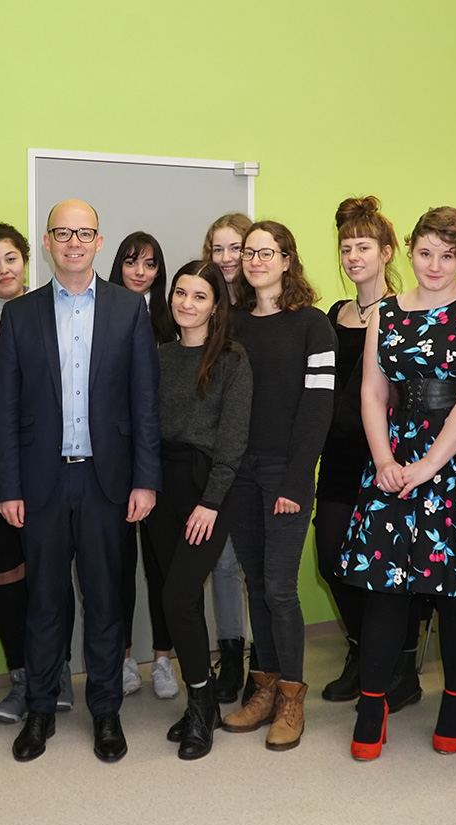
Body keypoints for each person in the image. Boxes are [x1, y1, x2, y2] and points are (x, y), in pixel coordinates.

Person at [340, 206, 456, 761]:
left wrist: (428, 466)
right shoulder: (384, 311)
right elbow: (372, 392)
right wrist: (386, 459)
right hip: (396, 453)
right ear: (408, 250)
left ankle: (455, 700)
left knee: (455, 589)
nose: (435, 265)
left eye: (448, 255)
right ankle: (373, 704)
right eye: (425, 252)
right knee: (386, 586)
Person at [0, 198, 160, 763]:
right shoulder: (21, 314)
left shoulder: (128, 309)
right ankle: (40, 709)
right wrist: (7, 486)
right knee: (43, 603)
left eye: (83, 233)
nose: (73, 242)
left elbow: (144, 405)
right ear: (47, 241)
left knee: (107, 602)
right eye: (62, 232)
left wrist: (146, 480)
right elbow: (7, 409)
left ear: (98, 241)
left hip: (106, 484)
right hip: (39, 484)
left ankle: (106, 712)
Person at [220, 221, 335, 751]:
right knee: (256, 585)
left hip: (285, 473)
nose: (256, 259)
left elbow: (317, 411)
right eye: (249, 251)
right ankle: (263, 688)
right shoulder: (233, 323)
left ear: (288, 260)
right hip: (239, 472)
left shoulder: (313, 326)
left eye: (268, 251)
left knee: (281, 588)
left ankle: (291, 697)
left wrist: (295, 478)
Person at [0, 222, 75, 723]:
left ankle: (58, 673)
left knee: (52, 572)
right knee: (7, 575)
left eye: (10, 258)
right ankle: (22, 678)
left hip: (51, 457)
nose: (3, 269)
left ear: (28, 258)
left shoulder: (54, 307)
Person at [315, 198, 422, 711]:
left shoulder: (404, 312)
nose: (353, 256)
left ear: (385, 252)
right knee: (331, 558)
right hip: (338, 455)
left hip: (386, 455)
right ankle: (362, 652)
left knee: (385, 567)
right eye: (345, 248)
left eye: (363, 247)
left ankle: (399, 664)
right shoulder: (334, 315)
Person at [146, 261, 252, 759]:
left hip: (205, 488)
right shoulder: (160, 356)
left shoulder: (231, 359)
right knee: (181, 602)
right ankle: (202, 702)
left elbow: (233, 439)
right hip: (160, 486)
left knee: (177, 595)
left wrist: (211, 502)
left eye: (199, 296)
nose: (186, 304)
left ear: (216, 305)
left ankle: (201, 702)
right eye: (180, 294)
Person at [107, 231, 178, 699]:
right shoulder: (103, 314)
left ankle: (164, 659)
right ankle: (124, 658)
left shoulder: (173, 322)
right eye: (131, 262)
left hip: (161, 459)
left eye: (149, 264)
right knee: (116, 564)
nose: (140, 271)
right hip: (112, 459)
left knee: (161, 564)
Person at [201, 212, 254, 703]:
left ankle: (266, 661)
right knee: (220, 561)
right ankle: (232, 654)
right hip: (216, 454)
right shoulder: (205, 307)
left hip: (261, 454)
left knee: (257, 565)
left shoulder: (267, 307)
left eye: (234, 247)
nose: (226, 258)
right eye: (217, 249)